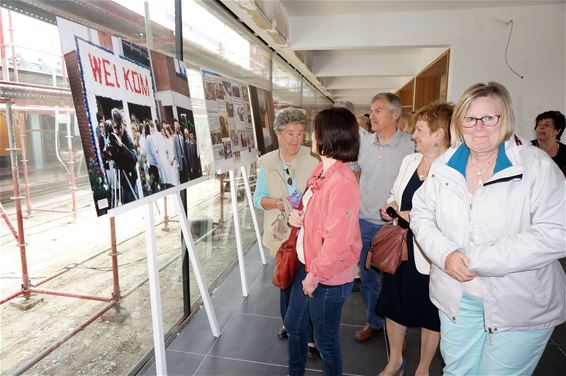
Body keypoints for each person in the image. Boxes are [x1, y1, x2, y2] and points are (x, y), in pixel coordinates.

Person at [411, 82, 566, 376]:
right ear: (460, 123)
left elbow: (557, 232)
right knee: (458, 372)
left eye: (489, 118)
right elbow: (421, 214)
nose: (478, 127)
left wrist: (477, 259)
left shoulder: (535, 165)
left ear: (504, 119)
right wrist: (445, 254)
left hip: (520, 301)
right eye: (470, 119)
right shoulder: (446, 164)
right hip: (457, 295)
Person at [376, 102, 453, 376]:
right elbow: (395, 194)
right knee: (393, 305)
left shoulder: (454, 169)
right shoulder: (409, 160)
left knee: (431, 313)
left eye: (419, 129)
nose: (413, 135)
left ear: (439, 134)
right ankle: (395, 360)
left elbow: (454, 218)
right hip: (400, 248)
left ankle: (423, 369)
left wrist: (414, 216)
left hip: (430, 254)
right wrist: (391, 207)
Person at [285, 107, 361, 376]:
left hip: (327, 277)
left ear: (327, 135)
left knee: (326, 343)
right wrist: (300, 217)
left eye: (314, 129)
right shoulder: (321, 170)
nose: (310, 134)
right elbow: (320, 218)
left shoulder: (342, 181)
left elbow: (338, 241)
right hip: (311, 265)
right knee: (294, 325)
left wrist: (314, 276)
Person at [252, 107, 319, 345]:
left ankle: (310, 335)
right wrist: (279, 203)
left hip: (308, 231)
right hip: (281, 232)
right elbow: (258, 199)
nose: (295, 139)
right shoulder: (267, 162)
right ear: (278, 134)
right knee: (286, 278)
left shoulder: (313, 160)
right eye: (290, 132)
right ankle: (287, 324)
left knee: (307, 281)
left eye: (300, 133)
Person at [351, 93, 414, 343]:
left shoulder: (411, 145)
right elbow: (355, 174)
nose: (372, 115)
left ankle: (399, 326)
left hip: (397, 227)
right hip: (365, 222)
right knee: (368, 279)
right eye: (371, 110)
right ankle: (374, 322)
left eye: (378, 110)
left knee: (398, 280)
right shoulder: (364, 144)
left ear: (395, 114)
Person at [103, 108, 139, 204]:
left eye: (119, 127)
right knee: (125, 204)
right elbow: (116, 158)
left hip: (130, 178)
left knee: (134, 203)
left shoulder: (127, 138)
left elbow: (134, 159)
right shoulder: (114, 138)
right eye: (115, 128)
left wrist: (122, 146)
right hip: (122, 179)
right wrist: (108, 154)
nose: (118, 130)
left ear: (123, 125)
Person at [531, 110, 566, 176]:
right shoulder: (527, 149)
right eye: (539, 124)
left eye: (546, 125)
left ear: (557, 130)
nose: (541, 127)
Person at [173, 119, 189, 184]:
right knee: (182, 177)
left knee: (185, 175)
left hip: (183, 159)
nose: (177, 127)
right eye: (175, 125)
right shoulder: (174, 137)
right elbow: (175, 151)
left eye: (177, 125)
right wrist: (177, 163)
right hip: (179, 160)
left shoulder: (181, 137)